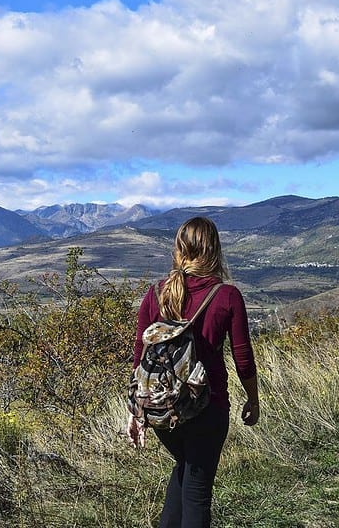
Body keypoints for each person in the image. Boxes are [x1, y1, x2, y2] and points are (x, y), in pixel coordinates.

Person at [127, 216, 259, 528]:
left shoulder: (156, 293)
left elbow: (140, 354)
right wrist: (253, 400)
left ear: (179, 249)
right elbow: (243, 358)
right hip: (207, 408)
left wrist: (135, 410)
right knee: (197, 495)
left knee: (185, 470)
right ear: (214, 250)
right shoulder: (226, 296)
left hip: (162, 409)